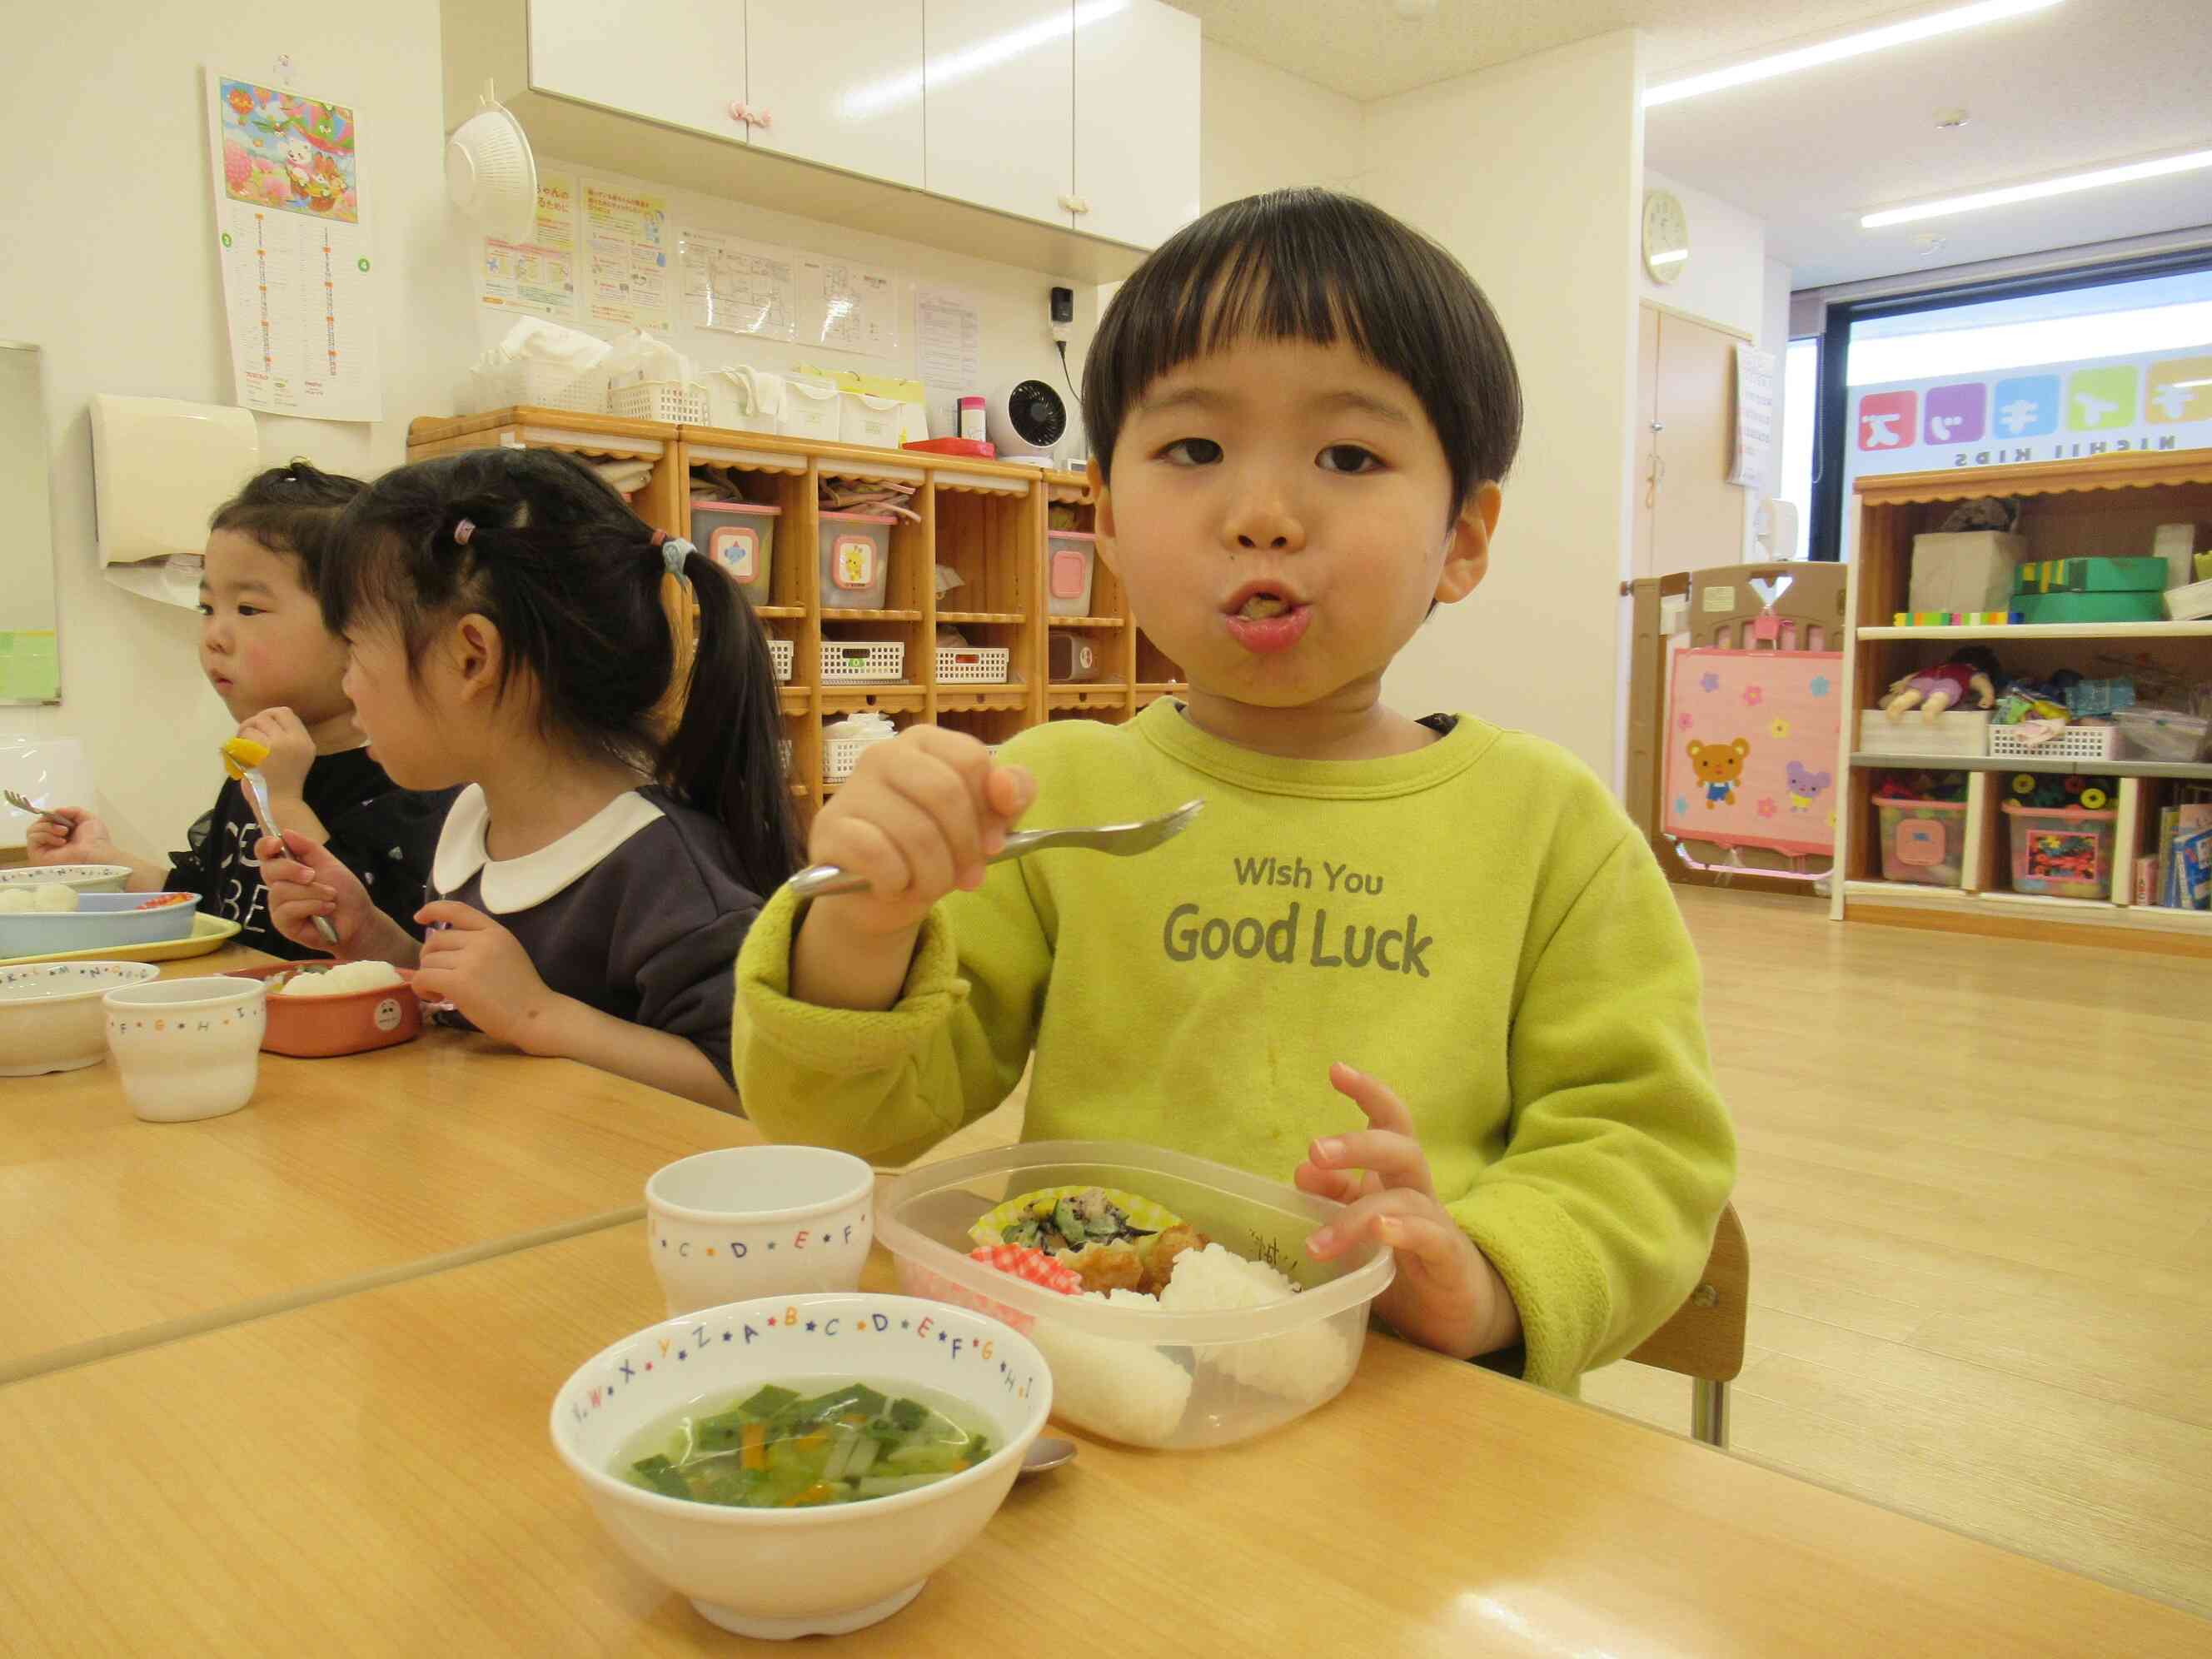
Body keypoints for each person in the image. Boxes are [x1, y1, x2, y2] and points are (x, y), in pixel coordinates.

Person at [733, 188, 1736, 1388]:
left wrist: (1487, 1274)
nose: (1262, 516)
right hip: (1098, 1386)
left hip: (1414, 1411)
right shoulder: (1049, 792)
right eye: (1194, 450)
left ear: (1464, 537)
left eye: (1350, 455)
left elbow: (1645, 1145)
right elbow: (852, 1124)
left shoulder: (1549, 829)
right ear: (1102, 515)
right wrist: (863, 919)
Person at [259, 447, 800, 1112]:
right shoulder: (471, 817)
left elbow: (754, 1086)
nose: (346, 686)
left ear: (470, 657)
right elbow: (473, 1006)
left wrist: (543, 1018)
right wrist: (372, 937)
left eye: (353, 650)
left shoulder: (660, 865)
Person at [26, 462, 451, 959]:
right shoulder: (259, 763)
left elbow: (369, 934)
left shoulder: (407, 779)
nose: (214, 636)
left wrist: (284, 803)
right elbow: (216, 902)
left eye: (247, 609)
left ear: (358, 626)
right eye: (208, 608)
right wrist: (101, 861)